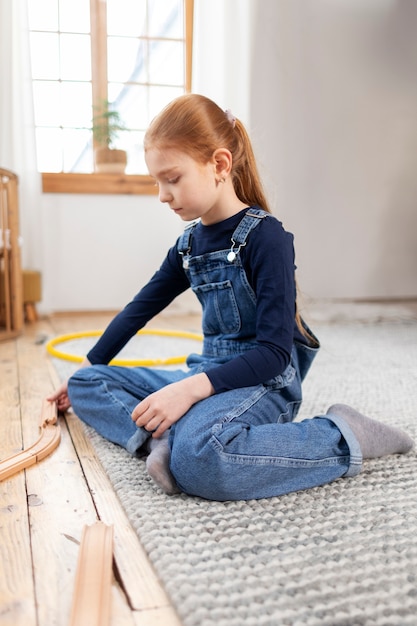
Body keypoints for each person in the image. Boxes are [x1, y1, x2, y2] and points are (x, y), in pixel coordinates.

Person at [48, 94, 414, 500]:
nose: (162, 195)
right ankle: (162, 440)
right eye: (156, 182)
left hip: (264, 381)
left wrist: (188, 391)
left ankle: (343, 436)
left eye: (172, 178)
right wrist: (87, 365)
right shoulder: (188, 245)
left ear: (219, 165)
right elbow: (139, 310)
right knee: (87, 383)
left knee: (202, 460)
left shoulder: (266, 238)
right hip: (208, 372)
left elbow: (275, 354)